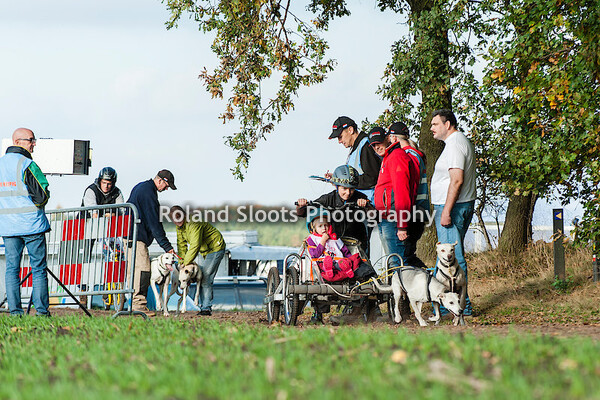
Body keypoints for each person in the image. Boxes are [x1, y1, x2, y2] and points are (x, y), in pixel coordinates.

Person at [0, 128, 51, 316]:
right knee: (38, 269)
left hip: (8, 227)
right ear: (17, 141)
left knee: (12, 270)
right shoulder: (28, 164)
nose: (34, 143)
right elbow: (42, 195)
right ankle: (42, 313)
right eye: (31, 140)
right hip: (32, 225)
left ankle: (15, 312)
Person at [430, 109, 476, 316]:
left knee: (451, 257)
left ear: (447, 124)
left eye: (435, 124)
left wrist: (446, 211)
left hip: (452, 207)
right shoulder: (455, 143)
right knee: (449, 256)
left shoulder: (455, 144)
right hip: (456, 205)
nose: (431, 128)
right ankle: (451, 304)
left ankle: (460, 307)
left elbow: (457, 180)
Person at [305, 209, 377, 324]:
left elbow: (346, 252)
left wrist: (350, 261)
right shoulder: (312, 239)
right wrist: (323, 241)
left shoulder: (335, 239)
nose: (324, 228)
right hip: (322, 266)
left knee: (352, 263)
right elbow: (315, 255)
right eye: (320, 226)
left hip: (340, 265)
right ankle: (318, 313)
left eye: (326, 225)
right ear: (313, 228)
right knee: (326, 270)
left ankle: (348, 271)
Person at [127, 170, 176, 315]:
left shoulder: (141, 187)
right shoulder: (148, 193)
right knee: (143, 270)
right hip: (137, 237)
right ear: (160, 180)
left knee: (134, 271)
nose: (166, 189)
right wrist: (166, 246)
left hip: (130, 235)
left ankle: (133, 304)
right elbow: (154, 222)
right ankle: (139, 306)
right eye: (166, 185)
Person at [369, 126, 419, 268]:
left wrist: (402, 225)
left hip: (393, 219)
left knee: (398, 262)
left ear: (388, 138)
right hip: (385, 217)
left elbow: (402, 191)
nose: (377, 147)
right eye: (373, 145)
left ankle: (410, 282)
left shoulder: (396, 156)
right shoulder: (387, 157)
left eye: (379, 142)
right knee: (393, 261)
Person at [296, 165, 373, 255]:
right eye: (344, 188)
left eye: (351, 189)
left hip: (356, 243)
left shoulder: (360, 197)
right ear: (337, 186)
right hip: (334, 243)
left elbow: (375, 217)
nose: (348, 193)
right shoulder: (328, 199)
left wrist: (366, 206)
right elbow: (303, 213)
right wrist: (301, 206)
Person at [386, 122, 430, 269]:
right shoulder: (416, 154)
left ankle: (426, 278)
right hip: (419, 211)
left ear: (393, 138)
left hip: (412, 212)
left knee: (405, 258)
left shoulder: (407, 156)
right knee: (408, 255)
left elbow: (407, 189)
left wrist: (402, 221)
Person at [169, 205, 226, 316]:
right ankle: (203, 306)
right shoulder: (179, 227)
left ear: (184, 215)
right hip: (205, 251)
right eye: (175, 219)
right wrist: (181, 261)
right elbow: (181, 245)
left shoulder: (194, 223)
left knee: (206, 277)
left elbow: (195, 245)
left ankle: (206, 308)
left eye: (179, 218)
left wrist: (185, 263)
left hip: (215, 247)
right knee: (202, 277)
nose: (178, 221)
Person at [328, 116, 382, 203]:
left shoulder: (365, 146)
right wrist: (338, 179)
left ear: (350, 130)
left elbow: (372, 178)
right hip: (358, 203)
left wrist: (346, 182)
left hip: (369, 203)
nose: (339, 141)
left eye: (340, 136)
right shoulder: (356, 148)